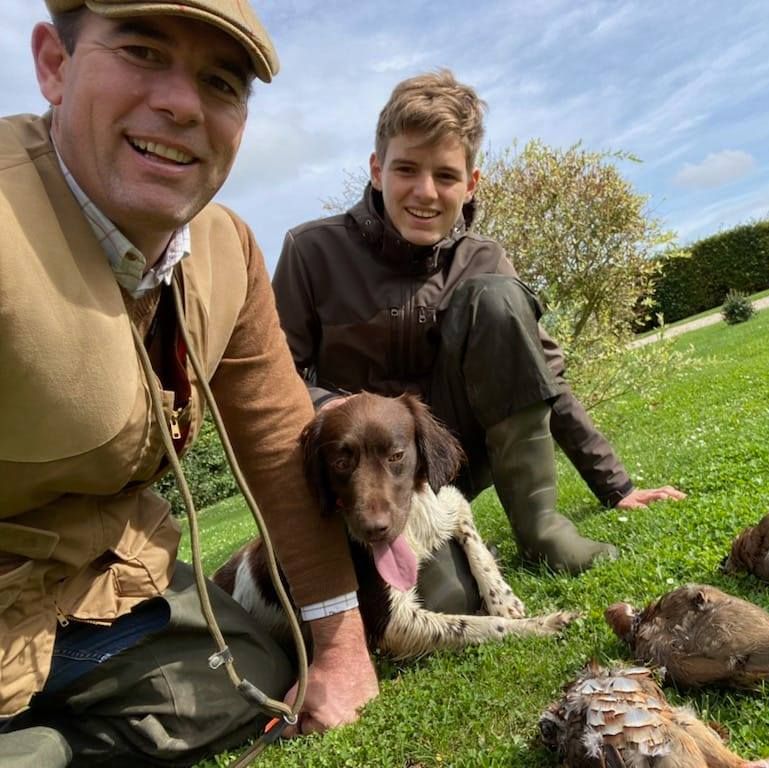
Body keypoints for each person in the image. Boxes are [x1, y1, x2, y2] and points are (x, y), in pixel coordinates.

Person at [0, 2, 378, 765]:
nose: (181, 104)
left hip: (106, 594)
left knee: (258, 677)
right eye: (141, 52)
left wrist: (339, 647)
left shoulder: (226, 249)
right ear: (54, 65)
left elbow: (277, 447)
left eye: (221, 82)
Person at [273, 70, 685, 608]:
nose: (425, 192)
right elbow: (273, 378)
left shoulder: (484, 258)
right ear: (376, 171)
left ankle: (541, 530)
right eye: (406, 170)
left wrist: (617, 487)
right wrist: (339, 408)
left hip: (452, 462)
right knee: (448, 601)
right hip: (368, 480)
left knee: (498, 296)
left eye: (445, 175)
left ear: (471, 183)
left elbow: (544, 378)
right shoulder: (310, 252)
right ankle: (427, 551)